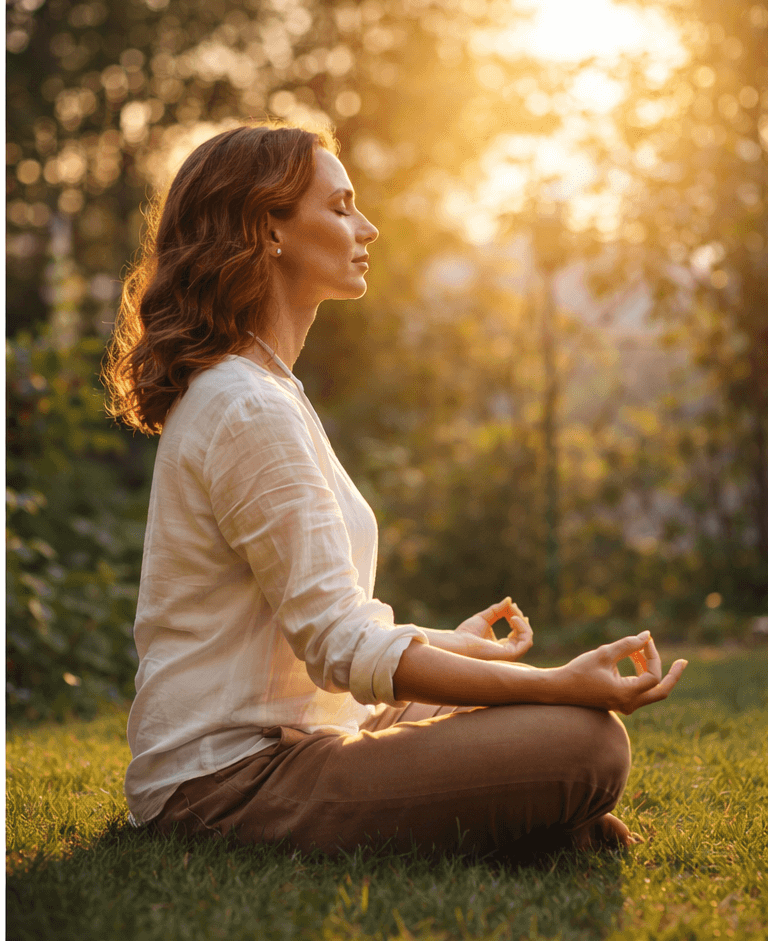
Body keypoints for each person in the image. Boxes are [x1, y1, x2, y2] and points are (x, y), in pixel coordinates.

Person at [102, 122, 687, 857]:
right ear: (269, 230)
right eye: (342, 207)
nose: (368, 227)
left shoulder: (262, 392)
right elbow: (339, 647)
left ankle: (522, 815)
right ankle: (526, 816)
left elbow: (324, 625)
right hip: (227, 780)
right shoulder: (246, 407)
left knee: (534, 731)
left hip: (309, 728)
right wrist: (558, 683)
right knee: (587, 744)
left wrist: (455, 649)